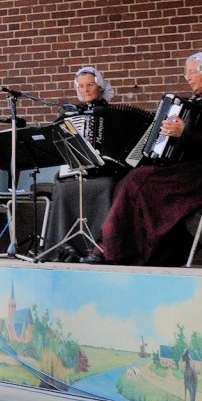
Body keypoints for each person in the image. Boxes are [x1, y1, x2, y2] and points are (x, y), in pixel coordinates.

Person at [95, 52, 202, 266]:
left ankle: (125, 250)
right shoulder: (200, 102)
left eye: (193, 72)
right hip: (194, 169)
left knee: (141, 180)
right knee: (133, 178)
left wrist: (184, 133)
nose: (188, 77)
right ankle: (125, 248)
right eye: (187, 73)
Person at [38, 66, 129, 261]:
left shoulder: (110, 112)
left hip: (107, 173)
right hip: (78, 172)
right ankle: (64, 247)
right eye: (80, 86)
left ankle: (100, 248)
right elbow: (60, 143)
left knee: (106, 186)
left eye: (89, 85)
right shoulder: (70, 114)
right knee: (63, 189)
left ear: (101, 87)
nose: (85, 90)